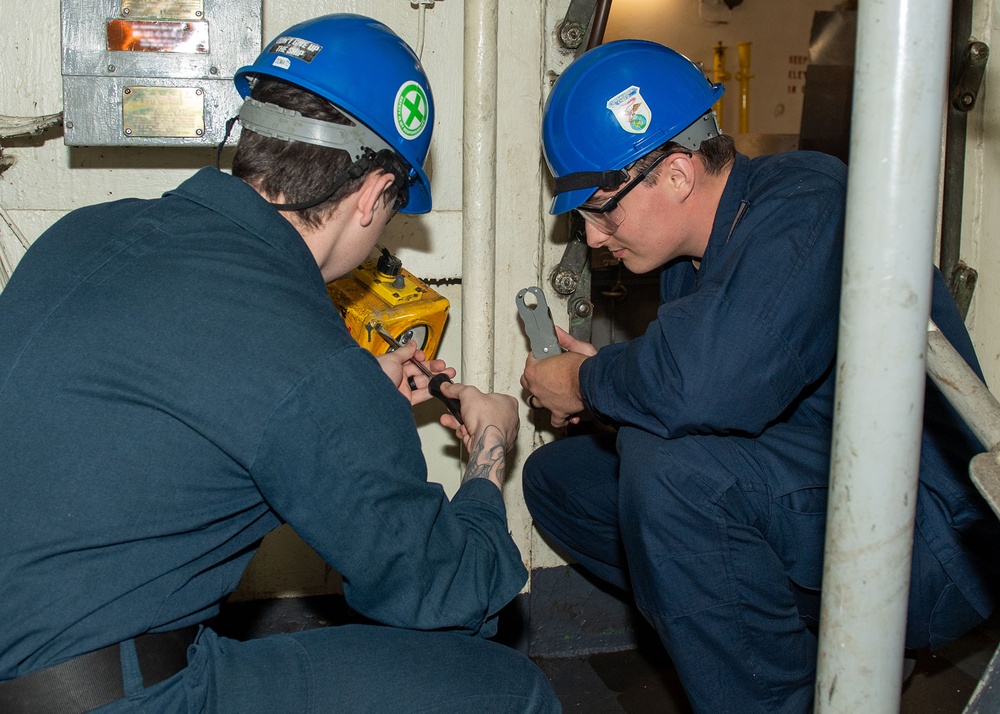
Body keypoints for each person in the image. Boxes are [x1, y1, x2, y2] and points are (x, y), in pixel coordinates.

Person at [0, 14, 559, 714]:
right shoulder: (308, 360)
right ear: (369, 196)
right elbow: (447, 591)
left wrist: (355, 395)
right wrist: (488, 453)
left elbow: (195, 409)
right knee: (510, 691)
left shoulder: (82, 232)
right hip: (108, 697)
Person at [520, 39, 1000, 713]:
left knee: (667, 475)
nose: (595, 237)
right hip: (821, 481)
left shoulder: (809, 204)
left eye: (602, 209)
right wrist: (611, 386)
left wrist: (584, 383)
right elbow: (719, 387)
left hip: (927, 540)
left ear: (678, 174)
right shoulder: (692, 257)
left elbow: (710, 385)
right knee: (560, 482)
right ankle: (778, 642)